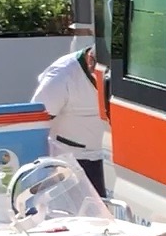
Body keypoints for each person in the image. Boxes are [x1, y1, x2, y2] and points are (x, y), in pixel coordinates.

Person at [31, 44, 109, 197]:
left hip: (107, 157)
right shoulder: (61, 76)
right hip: (72, 160)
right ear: (91, 62)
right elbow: (37, 122)